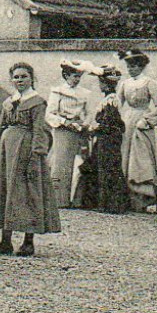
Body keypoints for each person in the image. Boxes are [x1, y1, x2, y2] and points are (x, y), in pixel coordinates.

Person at [0, 62, 60, 257]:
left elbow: (40, 130)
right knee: (5, 191)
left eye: (24, 76)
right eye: (16, 77)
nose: (20, 80)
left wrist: (37, 156)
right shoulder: (9, 102)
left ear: (31, 78)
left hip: (26, 151)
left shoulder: (37, 102)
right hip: (5, 152)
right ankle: (5, 241)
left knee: (27, 193)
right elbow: (0, 128)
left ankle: (28, 241)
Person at [76, 65, 131, 214]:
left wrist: (95, 129)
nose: (100, 85)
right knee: (103, 166)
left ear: (106, 84)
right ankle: (105, 202)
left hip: (108, 139)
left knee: (107, 167)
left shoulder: (111, 100)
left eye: (101, 83)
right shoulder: (108, 99)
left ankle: (109, 204)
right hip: (106, 138)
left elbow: (108, 122)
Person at [116, 49, 157, 211]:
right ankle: (126, 198)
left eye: (135, 66)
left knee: (140, 158)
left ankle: (144, 198)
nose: (131, 69)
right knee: (125, 155)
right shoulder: (124, 83)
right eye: (129, 66)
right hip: (127, 120)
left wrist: (146, 120)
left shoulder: (149, 82)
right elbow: (117, 104)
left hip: (142, 121)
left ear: (141, 66)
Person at [45, 60, 99, 209]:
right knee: (61, 163)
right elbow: (49, 114)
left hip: (78, 131)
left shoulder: (84, 93)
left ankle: (76, 199)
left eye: (78, 77)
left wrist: (83, 125)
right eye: (74, 76)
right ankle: (59, 199)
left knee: (78, 163)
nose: (76, 79)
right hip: (62, 131)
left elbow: (89, 113)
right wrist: (64, 122)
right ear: (66, 75)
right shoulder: (57, 91)